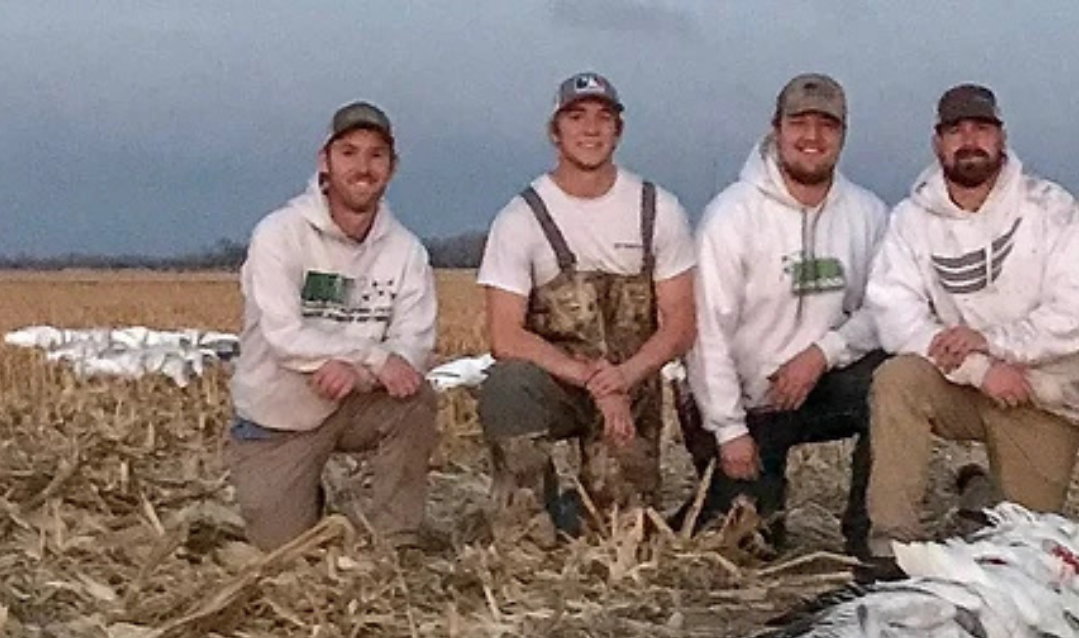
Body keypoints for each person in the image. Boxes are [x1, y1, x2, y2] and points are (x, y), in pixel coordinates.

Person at [864, 84, 1079, 550]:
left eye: (981, 128)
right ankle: (892, 543)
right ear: (938, 143)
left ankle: (980, 497)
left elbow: (1078, 312)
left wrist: (995, 343)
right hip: (964, 382)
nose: (968, 139)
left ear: (1002, 138)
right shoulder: (911, 219)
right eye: (955, 130)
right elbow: (895, 315)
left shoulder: (1051, 207)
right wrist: (981, 369)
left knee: (1023, 546)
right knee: (897, 379)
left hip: (1042, 392)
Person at [476, 73, 697, 536]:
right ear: (555, 132)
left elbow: (680, 324)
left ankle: (580, 508)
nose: (591, 129)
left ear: (619, 130)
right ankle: (525, 511)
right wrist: (593, 381)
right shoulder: (522, 218)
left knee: (620, 532)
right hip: (559, 384)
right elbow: (505, 335)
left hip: (632, 387)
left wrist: (625, 377)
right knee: (506, 385)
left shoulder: (658, 209)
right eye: (576, 117)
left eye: (603, 118)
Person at [685, 73, 889, 555]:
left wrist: (823, 352)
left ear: (844, 134)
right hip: (747, 402)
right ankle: (726, 497)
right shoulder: (730, 216)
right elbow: (705, 333)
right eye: (799, 123)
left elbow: (886, 310)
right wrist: (730, 428)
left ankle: (872, 535)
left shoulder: (868, 214)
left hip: (820, 387)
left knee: (894, 382)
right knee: (747, 546)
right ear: (776, 129)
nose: (813, 138)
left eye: (827, 125)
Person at [228, 102, 438, 551]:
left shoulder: (407, 252)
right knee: (282, 551)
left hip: (354, 401)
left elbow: (415, 346)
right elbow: (284, 337)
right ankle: (304, 498)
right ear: (325, 161)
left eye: (376, 155)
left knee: (415, 399)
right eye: (349, 152)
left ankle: (394, 541)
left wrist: (360, 373)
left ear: (392, 167)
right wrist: (372, 357)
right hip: (279, 418)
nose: (363, 167)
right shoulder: (279, 234)